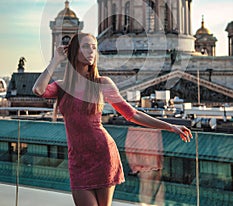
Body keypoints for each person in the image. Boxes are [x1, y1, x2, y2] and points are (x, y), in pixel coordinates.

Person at [33, 33, 192, 206]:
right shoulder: (63, 86)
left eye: (94, 47)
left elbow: (132, 114)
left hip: (103, 155)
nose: (91, 51)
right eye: (86, 46)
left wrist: (170, 126)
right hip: (77, 160)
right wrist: (55, 60)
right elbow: (38, 90)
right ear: (74, 51)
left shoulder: (102, 83)